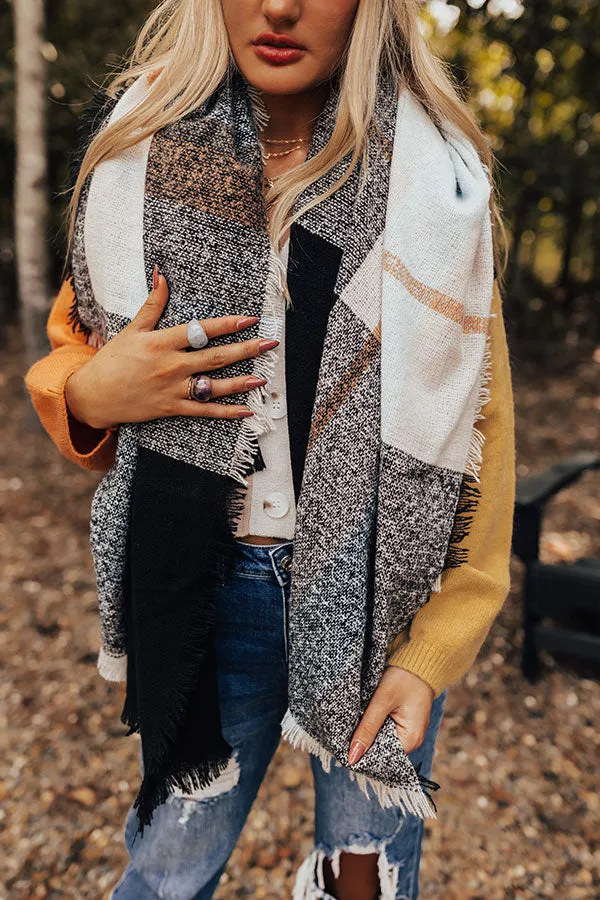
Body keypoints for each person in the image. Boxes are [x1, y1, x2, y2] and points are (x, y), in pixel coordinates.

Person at [24, 1, 516, 898]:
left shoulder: (433, 185)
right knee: (166, 874)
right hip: (206, 593)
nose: (280, 6)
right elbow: (74, 363)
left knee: (365, 879)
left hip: (377, 601)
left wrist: (432, 650)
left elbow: (480, 428)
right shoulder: (142, 157)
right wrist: (95, 391)